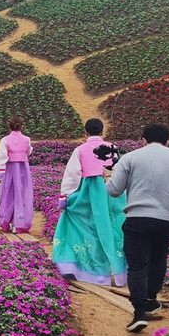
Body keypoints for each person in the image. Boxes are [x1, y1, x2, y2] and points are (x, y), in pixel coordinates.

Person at [106, 123, 169, 332]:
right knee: (158, 258)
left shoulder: (130, 158)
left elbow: (114, 191)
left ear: (143, 140)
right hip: (167, 220)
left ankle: (139, 313)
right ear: (167, 142)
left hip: (137, 218)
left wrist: (106, 176)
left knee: (137, 265)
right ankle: (151, 300)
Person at [52, 118, 127, 286]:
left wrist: (65, 198)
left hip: (88, 193)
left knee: (85, 228)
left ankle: (86, 269)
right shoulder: (112, 148)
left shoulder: (80, 150)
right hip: (109, 192)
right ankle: (118, 271)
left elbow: (72, 175)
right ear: (102, 131)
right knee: (112, 228)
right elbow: (119, 172)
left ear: (85, 133)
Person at [0, 117, 34, 233]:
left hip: (10, 170)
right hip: (23, 169)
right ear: (21, 126)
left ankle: (9, 221)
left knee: (9, 195)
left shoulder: (5, 140)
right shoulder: (27, 139)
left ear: (9, 127)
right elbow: (28, 151)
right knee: (22, 194)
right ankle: (18, 223)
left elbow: (1, 157)